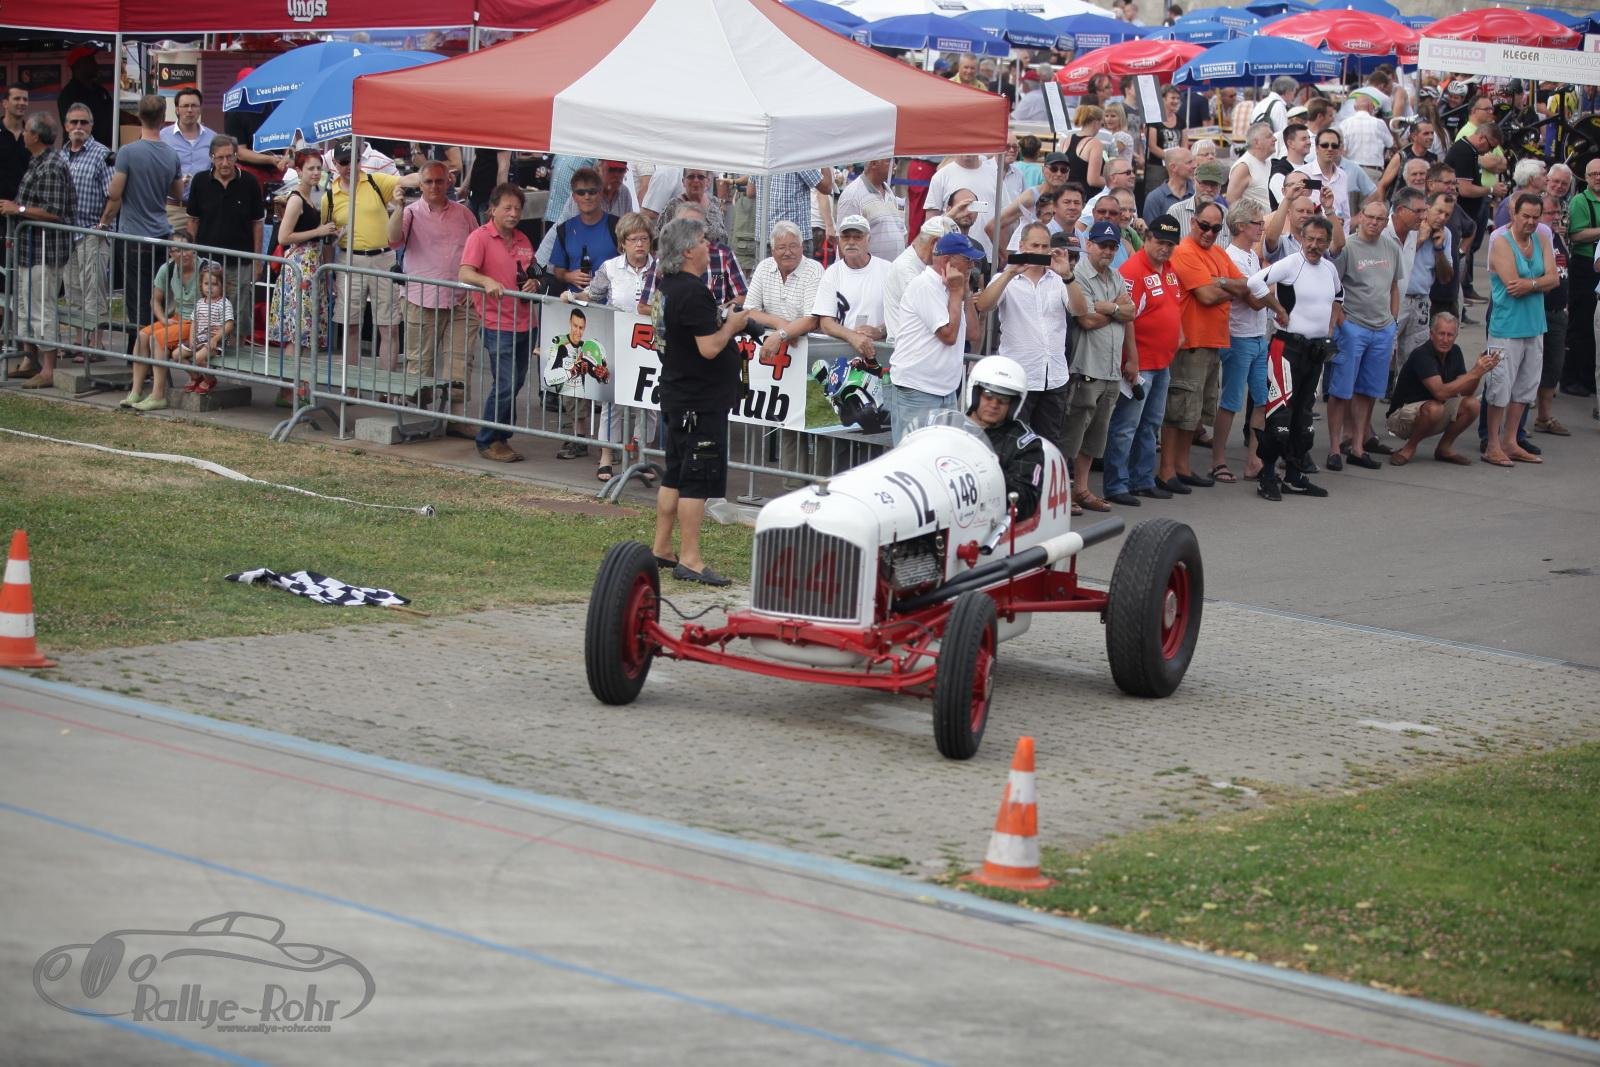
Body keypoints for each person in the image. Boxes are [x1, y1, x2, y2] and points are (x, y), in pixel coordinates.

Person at [647, 216, 751, 587]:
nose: (710, 247)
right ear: (689, 250)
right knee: (695, 479)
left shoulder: (666, 287)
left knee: (675, 473)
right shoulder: (692, 292)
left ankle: (662, 547)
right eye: (704, 241)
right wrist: (732, 326)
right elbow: (708, 347)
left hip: (679, 394)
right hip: (698, 401)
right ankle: (690, 559)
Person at [1246, 215, 1343, 500]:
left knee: (1304, 418)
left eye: (1320, 241)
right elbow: (1254, 282)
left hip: (1315, 352)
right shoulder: (1290, 264)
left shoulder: (1329, 269)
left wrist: (1330, 328)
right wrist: (1277, 308)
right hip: (1286, 349)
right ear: (1301, 237)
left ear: (1328, 242)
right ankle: (1267, 476)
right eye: (1309, 239)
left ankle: (1294, 474)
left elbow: (1339, 297)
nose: (1314, 245)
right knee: (1280, 416)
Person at [92, 94, 181, 387]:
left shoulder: (128, 152)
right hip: (161, 234)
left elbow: (115, 192)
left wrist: (113, 194)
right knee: (158, 298)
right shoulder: (171, 154)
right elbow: (177, 194)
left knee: (137, 303)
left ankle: (144, 364)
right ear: (164, 119)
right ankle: (154, 362)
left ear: (139, 117)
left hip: (134, 236)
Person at [566, 211, 659, 480]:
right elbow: (593, 295)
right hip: (619, 342)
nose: (639, 244)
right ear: (623, 243)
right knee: (613, 402)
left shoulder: (661, 268)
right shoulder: (610, 267)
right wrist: (571, 296)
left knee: (649, 403)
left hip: (652, 346)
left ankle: (642, 457)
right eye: (633, 239)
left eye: (644, 239)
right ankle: (606, 456)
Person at [1162, 201, 1244, 494]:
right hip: (1191, 343)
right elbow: (1207, 296)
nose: (1209, 233)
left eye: (1216, 228)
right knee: (1178, 409)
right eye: (1204, 226)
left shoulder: (1218, 253)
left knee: (1193, 413)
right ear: (1193, 222)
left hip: (1212, 341)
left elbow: (1244, 285)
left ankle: (1182, 466)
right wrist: (1227, 287)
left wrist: (1220, 283)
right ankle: (1167, 470)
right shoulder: (1184, 251)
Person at [388, 157, 480, 422]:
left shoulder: (465, 214)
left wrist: (476, 288)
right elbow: (393, 239)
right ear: (420, 184)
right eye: (428, 181)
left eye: (439, 181)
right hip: (421, 298)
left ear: (448, 182)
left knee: (460, 361)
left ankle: (456, 419)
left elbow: (478, 249)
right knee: (419, 361)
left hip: (461, 300)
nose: (434, 186)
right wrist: (398, 208)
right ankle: (418, 415)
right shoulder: (410, 212)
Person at [1104, 214, 1183, 506]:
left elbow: (1173, 306)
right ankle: (1116, 484)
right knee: (1126, 426)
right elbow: (1127, 319)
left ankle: (1142, 480)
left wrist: (1179, 334)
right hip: (1141, 363)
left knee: (1150, 424)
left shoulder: (1170, 269)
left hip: (1162, 361)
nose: (1165, 248)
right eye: (1160, 242)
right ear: (1147, 238)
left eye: (1170, 244)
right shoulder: (1133, 270)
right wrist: (1132, 361)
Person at [459, 182, 540, 464]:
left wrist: (534, 282)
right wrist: (486, 281)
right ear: (492, 209)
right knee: (505, 383)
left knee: (515, 382)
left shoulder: (523, 238)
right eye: (507, 208)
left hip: (526, 322)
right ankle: (488, 439)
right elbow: (465, 273)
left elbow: (533, 270)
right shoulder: (480, 237)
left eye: (517, 208)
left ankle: (501, 435)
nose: (514, 213)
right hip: (497, 323)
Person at [976, 221, 1073, 455]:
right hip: (1018, 377)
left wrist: (1068, 276)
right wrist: (1010, 272)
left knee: (1048, 447)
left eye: (1044, 246)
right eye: (1035, 246)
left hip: (1053, 377)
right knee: (1013, 444)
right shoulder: (1005, 278)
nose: (1040, 251)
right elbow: (984, 305)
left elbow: (1080, 310)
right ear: (1022, 246)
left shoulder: (1059, 279)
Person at [1063, 220, 1137, 512]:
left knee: (1095, 435)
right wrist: (1116, 309)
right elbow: (1086, 319)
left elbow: (1131, 312)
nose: (1107, 251)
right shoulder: (1079, 275)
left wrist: (1109, 307)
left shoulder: (1116, 275)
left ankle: (1081, 490)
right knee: (1073, 433)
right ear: (1089, 244)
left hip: (1110, 369)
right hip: (1086, 366)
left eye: (1112, 246)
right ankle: (1064, 492)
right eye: (1102, 245)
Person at [328, 141, 421, 368]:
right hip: (349, 260)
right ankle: (350, 383)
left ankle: (385, 383)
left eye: (355, 160)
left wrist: (431, 174)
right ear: (336, 164)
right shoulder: (329, 197)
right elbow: (327, 239)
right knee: (350, 326)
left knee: (389, 326)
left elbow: (407, 180)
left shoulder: (375, 180)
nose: (350, 166)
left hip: (383, 258)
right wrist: (329, 271)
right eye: (344, 162)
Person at [0, 112, 75, 389]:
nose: (22, 134)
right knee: (24, 306)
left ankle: (48, 369)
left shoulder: (52, 165)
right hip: (28, 250)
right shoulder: (36, 161)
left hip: (45, 250)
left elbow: (54, 211)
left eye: (26, 130)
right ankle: (29, 360)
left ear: (36, 135)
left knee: (43, 308)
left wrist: (18, 208)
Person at [1483, 192, 1558, 467]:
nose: (1531, 222)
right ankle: (1492, 444)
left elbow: (1554, 279)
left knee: (1525, 388)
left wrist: (1531, 284)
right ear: (1514, 214)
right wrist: (1540, 282)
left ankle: (1511, 441)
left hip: (1535, 325)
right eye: (1525, 216)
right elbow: (1512, 285)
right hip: (1507, 327)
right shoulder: (1501, 242)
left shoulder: (1542, 238)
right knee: (1500, 387)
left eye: (1536, 217)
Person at [886, 232, 982, 443]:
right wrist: (956, 293)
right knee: (914, 456)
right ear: (947, 260)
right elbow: (948, 335)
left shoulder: (953, 287)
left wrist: (965, 293)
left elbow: (974, 334)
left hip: (945, 390)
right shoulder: (925, 285)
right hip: (917, 390)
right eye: (967, 259)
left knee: (938, 455)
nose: (972, 265)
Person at [1327, 199, 1402, 471]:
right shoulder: (1347, 247)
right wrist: (1342, 322)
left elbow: (1394, 287)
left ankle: (1358, 446)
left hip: (1382, 328)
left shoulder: (1391, 247)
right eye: (1370, 217)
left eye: (1380, 219)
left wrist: (1393, 321)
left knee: (1368, 391)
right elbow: (1332, 286)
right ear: (1360, 216)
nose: (1374, 223)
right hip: (1353, 326)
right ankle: (1335, 448)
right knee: (1341, 391)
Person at [269, 149, 339, 398]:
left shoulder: (313, 197)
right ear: (299, 171)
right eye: (310, 168)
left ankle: (295, 387)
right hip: (300, 266)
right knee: (296, 331)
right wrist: (318, 232)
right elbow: (283, 236)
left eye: (318, 168)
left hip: (311, 265)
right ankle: (289, 389)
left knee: (305, 332)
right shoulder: (297, 199)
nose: (316, 173)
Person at [1386, 313, 1495, 467]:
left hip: (1432, 411)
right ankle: (1409, 448)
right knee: (1435, 408)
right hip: (1401, 418)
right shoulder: (1422, 354)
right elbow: (1440, 393)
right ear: (1431, 334)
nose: (1445, 339)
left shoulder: (1455, 351)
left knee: (1472, 404)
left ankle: (1444, 448)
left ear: (1456, 336)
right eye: (1441, 334)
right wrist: (1473, 373)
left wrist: (1479, 373)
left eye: (1450, 335)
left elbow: (1467, 392)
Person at [185, 134, 264, 337]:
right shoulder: (200, 181)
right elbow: (193, 221)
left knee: (239, 311)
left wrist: (257, 260)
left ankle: (238, 351)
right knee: (207, 311)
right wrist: (191, 255)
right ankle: (208, 348)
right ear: (211, 157)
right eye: (220, 158)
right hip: (207, 260)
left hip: (240, 261)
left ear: (237, 156)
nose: (225, 162)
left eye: (229, 157)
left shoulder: (250, 182)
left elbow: (257, 224)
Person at [1218, 201, 1272, 483]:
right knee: (1231, 402)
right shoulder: (1232, 257)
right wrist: (1272, 292)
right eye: (1257, 223)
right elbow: (1254, 300)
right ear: (1240, 226)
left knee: (1261, 401)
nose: (1262, 227)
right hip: (1238, 337)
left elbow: (1259, 295)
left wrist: (1266, 291)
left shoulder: (1251, 255)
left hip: (1258, 336)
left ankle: (1254, 460)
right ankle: (1218, 460)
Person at [122, 238, 207, 410]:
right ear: (170, 253)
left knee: (157, 339)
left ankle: (158, 395)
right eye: (177, 250)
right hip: (178, 317)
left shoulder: (206, 268)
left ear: (194, 249)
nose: (183, 254)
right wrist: (163, 319)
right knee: (142, 335)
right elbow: (155, 300)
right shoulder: (167, 268)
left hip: (199, 320)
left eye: (186, 249)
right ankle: (136, 391)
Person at [59, 102, 114, 354]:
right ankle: (79, 341)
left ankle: (95, 344)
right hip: (66, 234)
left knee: (94, 290)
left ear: (91, 126)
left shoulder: (103, 154)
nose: (78, 127)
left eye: (83, 122)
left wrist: (102, 226)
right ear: (65, 126)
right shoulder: (60, 155)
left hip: (93, 232)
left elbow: (114, 195)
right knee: (72, 291)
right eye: (74, 122)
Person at [963, 356, 1046, 522]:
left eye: (1004, 400)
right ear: (975, 394)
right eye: (988, 395)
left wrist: (988, 473)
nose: (994, 405)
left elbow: (1027, 502)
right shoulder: (950, 427)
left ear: (1013, 404)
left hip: (989, 523)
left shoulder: (1024, 443)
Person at [543, 165, 620, 294]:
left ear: (600, 194)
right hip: (576, 302)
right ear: (574, 197)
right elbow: (557, 270)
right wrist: (568, 276)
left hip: (611, 303)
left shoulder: (617, 226)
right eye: (581, 192)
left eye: (592, 192)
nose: (587, 197)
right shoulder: (565, 229)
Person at [546, 306, 608, 461]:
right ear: (570, 323)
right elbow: (549, 375)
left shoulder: (587, 346)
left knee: (579, 413)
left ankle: (580, 442)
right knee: (572, 411)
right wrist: (571, 371)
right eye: (575, 326)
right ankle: (577, 438)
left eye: (581, 328)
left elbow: (598, 372)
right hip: (565, 385)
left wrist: (601, 373)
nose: (578, 331)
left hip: (580, 389)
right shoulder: (560, 343)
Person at [884, 214, 959, 343]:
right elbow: (945, 328)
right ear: (935, 243)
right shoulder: (906, 269)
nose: (955, 255)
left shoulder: (925, 263)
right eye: (952, 248)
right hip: (907, 348)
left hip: (920, 346)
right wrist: (956, 290)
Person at [1533, 192, 1571, 438]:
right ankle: (1514, 423)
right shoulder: (1534, 238)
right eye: (1549, 213)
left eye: (1558, 213)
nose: (1555, 217)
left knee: (1553, 366)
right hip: (1537, 311)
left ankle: (1544, 417)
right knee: (1529, 366)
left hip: (1558, 312)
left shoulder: (1558, 237)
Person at [1561, 157, 1600, 399]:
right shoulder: (1580, 201)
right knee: (1581, 323)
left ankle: (1590, 378)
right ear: (1585, 177)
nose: (1598, 177)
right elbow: (1575, 235)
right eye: (1593, 174)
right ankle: (1573, 379)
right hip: (1585, 266)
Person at [160, 88, 215, 233]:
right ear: (177, 110)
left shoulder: (213, 138)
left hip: (204, 210)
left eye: (194, 105)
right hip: (174, 210)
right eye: (185, 106)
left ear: (200, 109)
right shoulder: (163, 137)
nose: (190, 110)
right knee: (172, 247)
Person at [174, 262, 235, 394]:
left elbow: (229, 324)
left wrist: (216, 338)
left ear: (222, 286)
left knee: (198, 358)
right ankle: (196, 377)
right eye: (206, 284)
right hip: (199, 339)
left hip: (215, 342)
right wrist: (191, 338)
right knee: (176, 354)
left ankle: (210, 379)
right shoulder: (200, 303)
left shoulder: (224, 303)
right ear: (201, 285)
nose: (210, 288)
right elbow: (194, 322)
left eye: (214, 284)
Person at [835, 158, 906, 262]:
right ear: (874, 164)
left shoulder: (888, 191)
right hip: (866, 270)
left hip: (891, 269)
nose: (894, 166)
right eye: (889, 161)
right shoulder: (852, 195)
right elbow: (843, 241)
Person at [57, 47, 114, 155]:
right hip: (80, 153)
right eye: (90, 60)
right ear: (78, 65)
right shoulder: (69, 94)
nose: (95, 64)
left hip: (106, 151)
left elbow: (113, 113)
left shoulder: (100, 91)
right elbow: (74, 128)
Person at [1225, 123, 1275, 212]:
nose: (1275, 139)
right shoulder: (1243, 167)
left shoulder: (1268, 162)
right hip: (1259, 220)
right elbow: (1232, 203)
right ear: (1256, 142)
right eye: (1269, 136)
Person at [1142, 147, 1193, 225]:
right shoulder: (1155, 198)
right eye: (1189, 162)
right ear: (1173, 167)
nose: (1194, 166)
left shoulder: (1196, 194)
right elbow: (1151, 231)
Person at [0, 84, 28, 203]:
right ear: (5, 103)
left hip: (25, 207)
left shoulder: (33, 135)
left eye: (25, 99)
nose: (22, 103)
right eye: (17, 99)